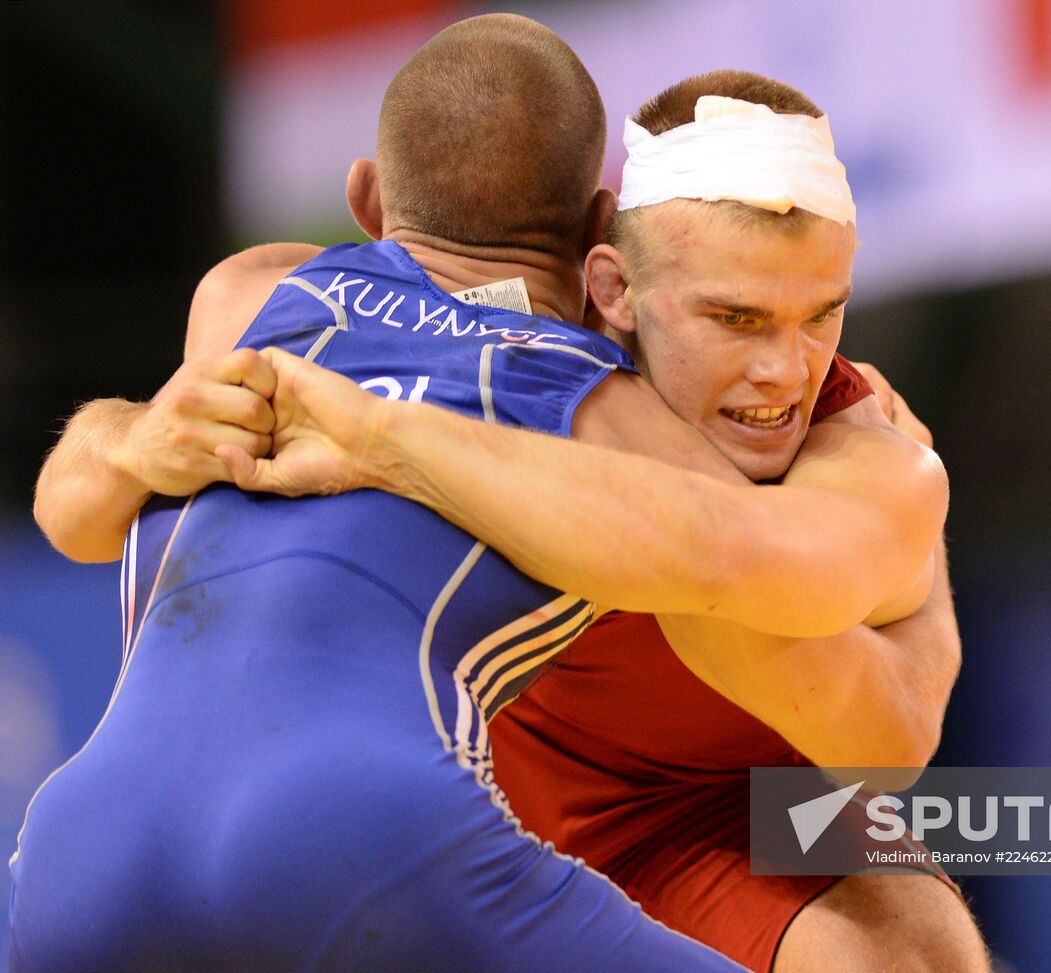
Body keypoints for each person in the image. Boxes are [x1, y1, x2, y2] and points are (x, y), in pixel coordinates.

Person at [29, 61, 987, 973]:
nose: (786, 371)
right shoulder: (499, 333)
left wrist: (398, 445)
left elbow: (883, 743)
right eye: (733, 318)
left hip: (723, 806)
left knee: (913, 940)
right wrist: (128, 435)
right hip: (464, 776)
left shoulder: (863, 453)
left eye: (822, 313)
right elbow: (88, 483)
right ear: (608, 280)